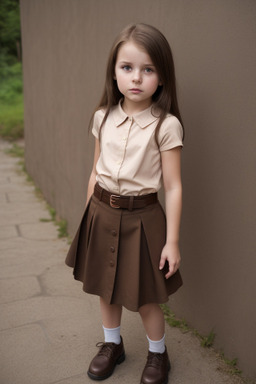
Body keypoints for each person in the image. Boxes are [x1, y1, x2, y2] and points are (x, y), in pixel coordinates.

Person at [66, 23, 184, 384]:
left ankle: (158, 354)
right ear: (114, 71)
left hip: (143, 218)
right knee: (105, 287)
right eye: (127, 67)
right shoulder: (103, 117)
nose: (136, 78)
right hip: (101, 213)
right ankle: (111, 345)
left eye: (148, 69)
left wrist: (172, 241)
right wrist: (89, 218)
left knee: (147, 297)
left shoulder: (165, 125)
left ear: (161, 76)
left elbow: (174, 186)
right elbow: (95, 171)